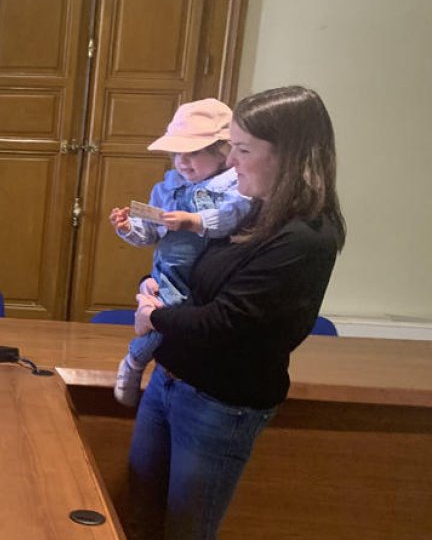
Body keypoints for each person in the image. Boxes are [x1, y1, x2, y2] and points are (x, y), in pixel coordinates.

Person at [126, 86, 346, 540]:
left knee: (186, 531)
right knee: (137, 518)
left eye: (242, 150)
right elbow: (195, 282)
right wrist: (157, 288)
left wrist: (155, 316)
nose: (230, 162)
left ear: (289, 155)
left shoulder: (304, 237)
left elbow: (226, 322)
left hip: (219, 402)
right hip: (171, 379)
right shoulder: (250, 211)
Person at [108, 98, 251, 407]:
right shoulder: (167, 188)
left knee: (166, 315)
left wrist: (194, 221)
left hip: (207, 276)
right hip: (171, 269)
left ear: (222, 151)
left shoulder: (233, 187)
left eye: (195, 152)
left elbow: (232, 218)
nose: (184, 162)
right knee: (163, 309)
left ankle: (135, 358)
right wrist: (127, 228)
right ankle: (136, 359)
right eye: (177, 154)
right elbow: (150, 232)